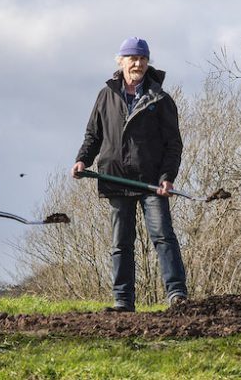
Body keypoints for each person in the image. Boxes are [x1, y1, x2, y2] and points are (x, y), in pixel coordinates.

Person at [72, 37, 188, 311]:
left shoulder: (160, 99)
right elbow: (93, 135)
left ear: (147, 63)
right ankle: (123, 300)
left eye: (142, 59)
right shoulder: (106, 95)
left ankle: (177, 294)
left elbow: (174, 144)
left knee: (163, 237)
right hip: (115, 178)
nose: (137, 64)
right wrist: (82, 160)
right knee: (121, 244)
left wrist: (167, 177)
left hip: (151, 182)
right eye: (132, 59)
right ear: (121, 62)